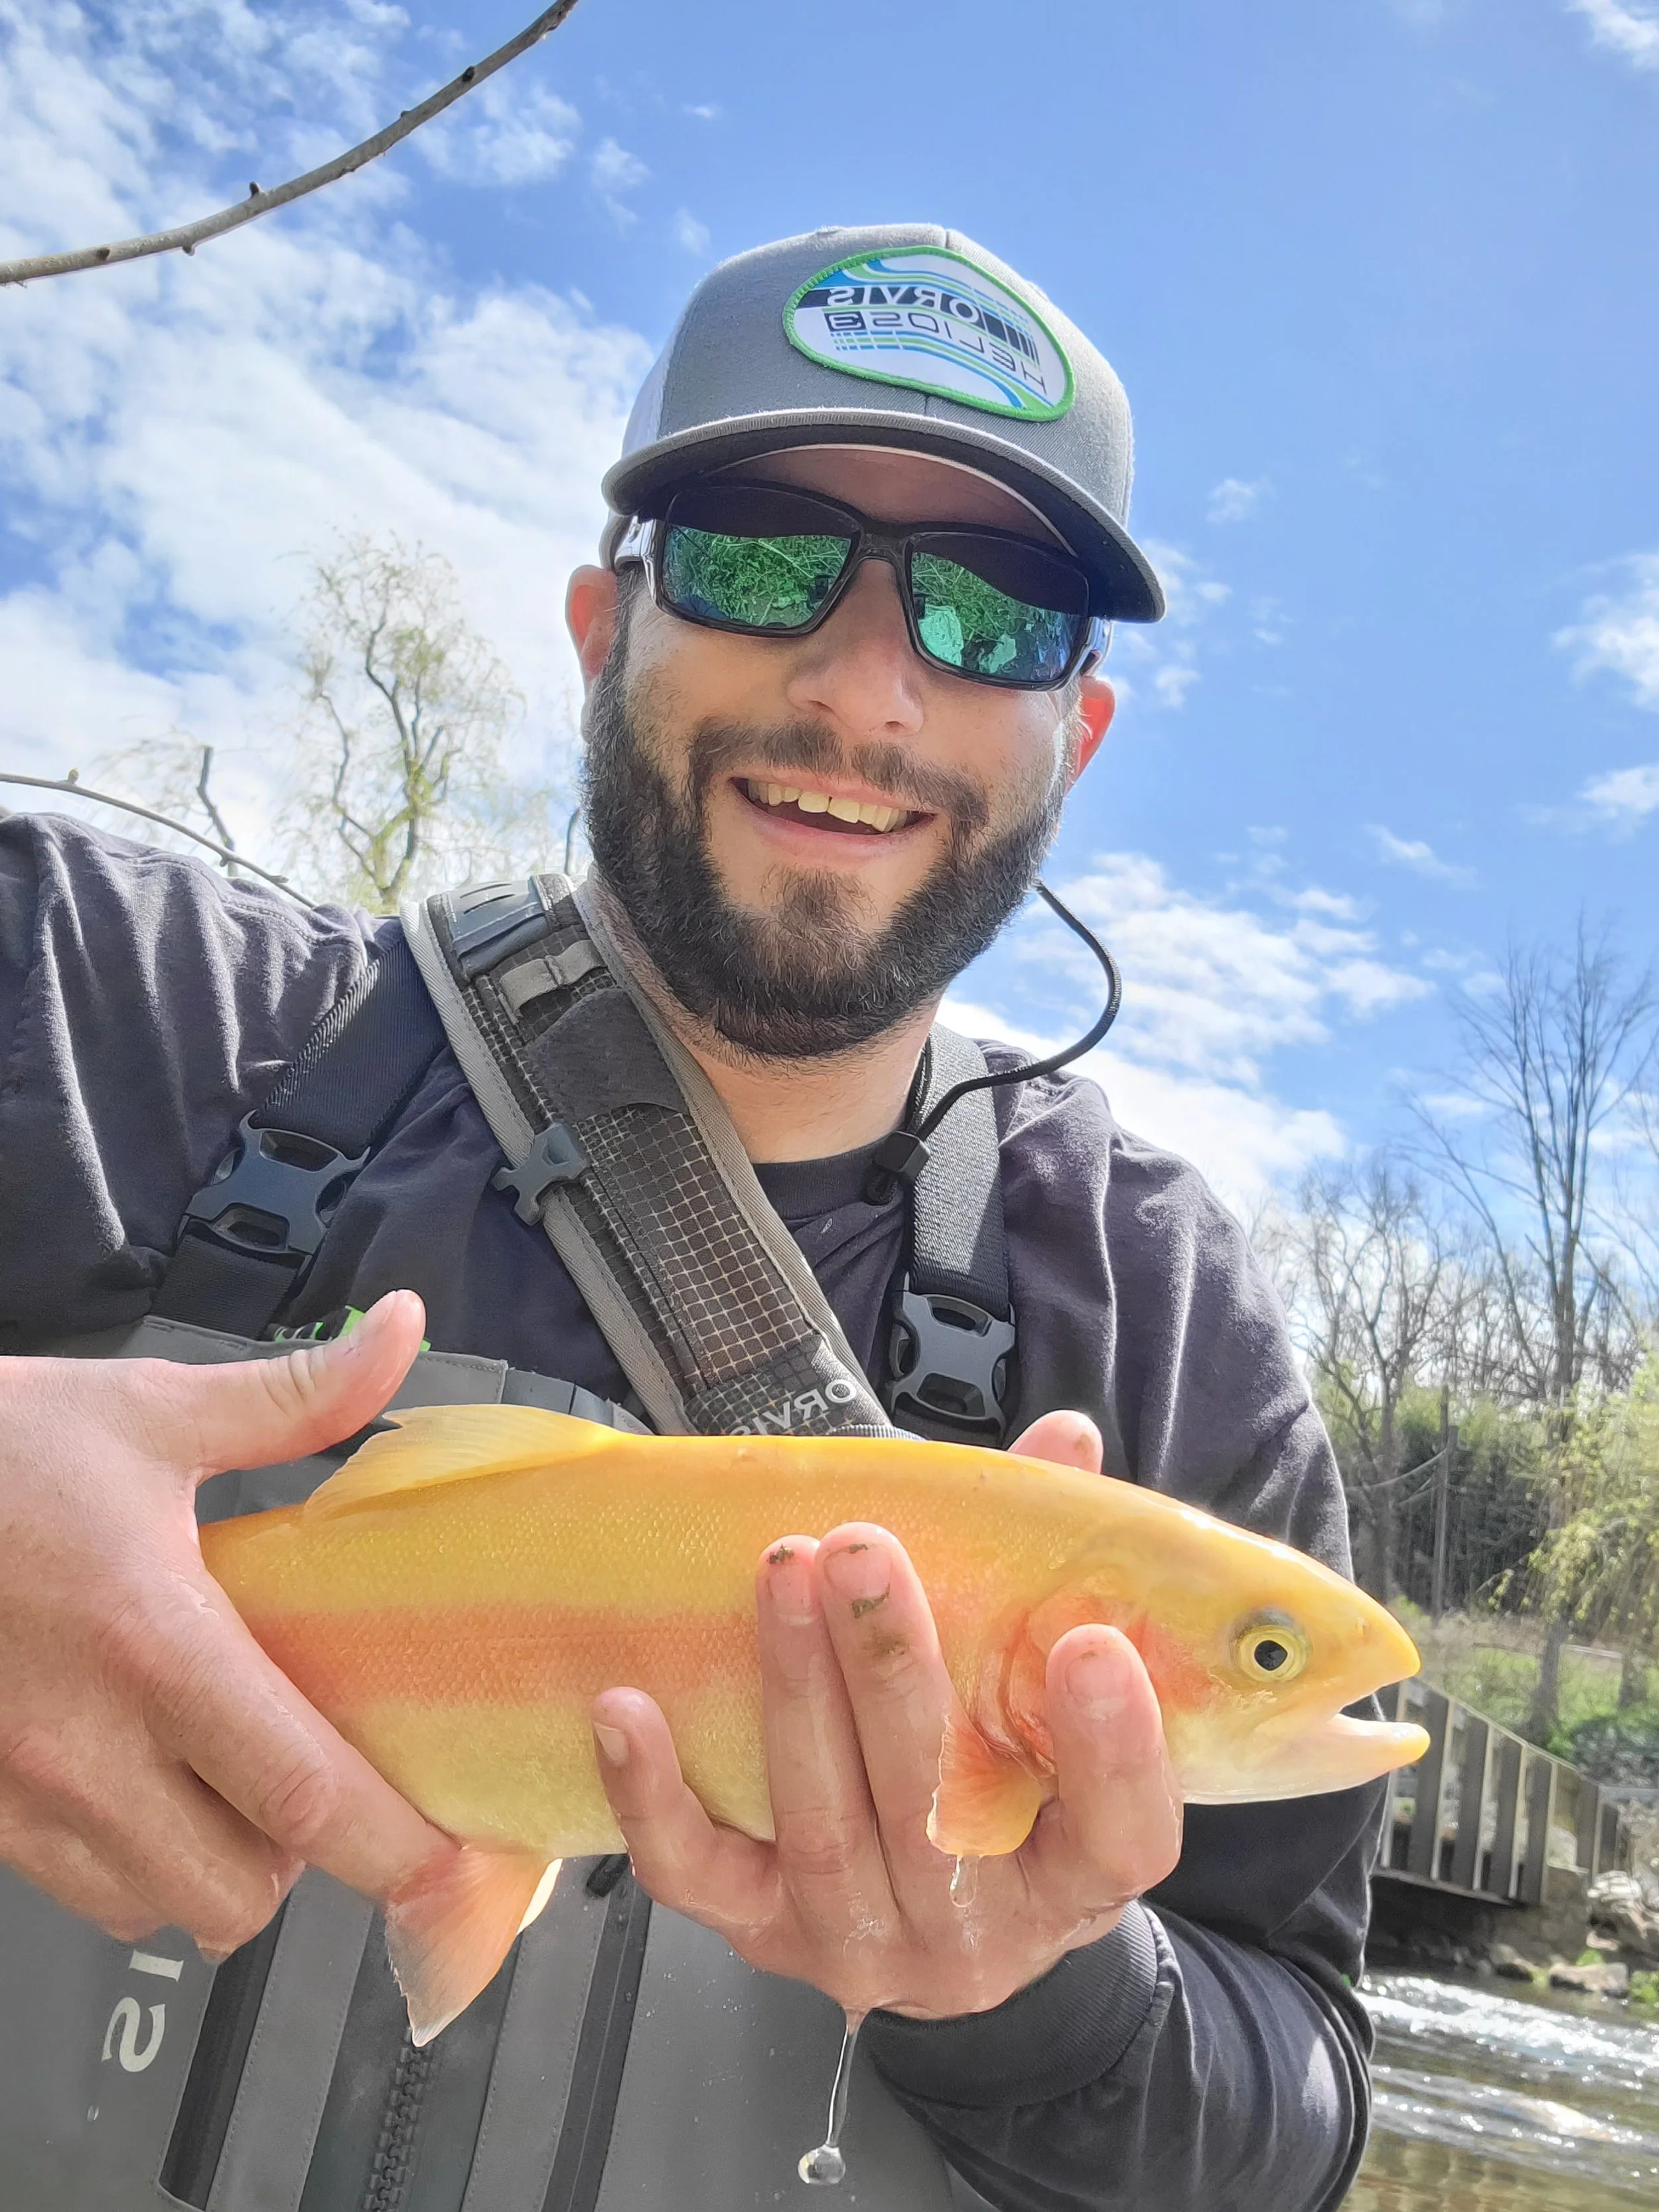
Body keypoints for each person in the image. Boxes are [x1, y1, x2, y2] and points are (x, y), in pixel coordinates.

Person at [0, 225, 1380, 2210]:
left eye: (992, 612)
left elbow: (1299, 2111)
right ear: (597, 625)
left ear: (1072, 738)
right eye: (756, 551)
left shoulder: (1167, 1325)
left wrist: (1046, 1985)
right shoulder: (99, 1003)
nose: (864, 684)